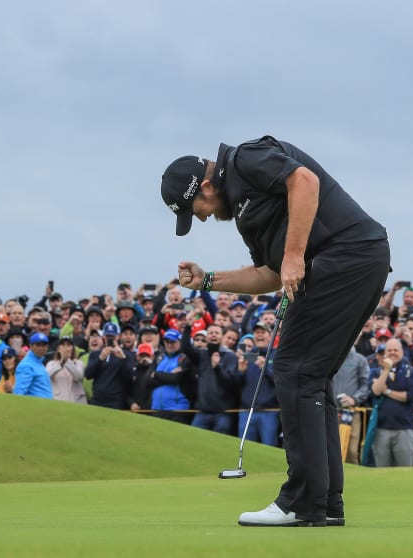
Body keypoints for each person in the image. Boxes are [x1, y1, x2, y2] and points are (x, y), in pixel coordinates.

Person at [162, 135, 390, 527]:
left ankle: (302, 501)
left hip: (346, 255)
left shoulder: (245, 159)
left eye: (194, 209)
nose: (198, 218)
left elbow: (304, 182)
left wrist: (294, 255)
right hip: (353, 259)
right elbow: (268, 274)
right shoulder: (243, 213)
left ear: (204, 186)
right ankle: (324, 503)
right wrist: (207, 280)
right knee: (310, 376)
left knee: (293, 369)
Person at [368, 338, 413, 468]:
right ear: (384, 353)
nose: (392, 353)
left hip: (404, 430)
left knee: (404, 473)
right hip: (381, 429)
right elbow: (375, 391)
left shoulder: (411, 372)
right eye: (389, 350)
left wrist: (387, 392)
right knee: (382, 472)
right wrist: (386, 370)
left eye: (395, 350)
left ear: (402, 352)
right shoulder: (376, 372)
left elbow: (412, 396)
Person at [331, 345, 371, 464]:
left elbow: (365, 385)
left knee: (352, 451)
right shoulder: (331, 357)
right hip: (331, 411)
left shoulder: (360, 359)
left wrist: (354, 399)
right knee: (332, 449)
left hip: (352, 412)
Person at [84, 322, 136, 410]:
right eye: (108, 336)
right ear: (104, 337)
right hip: (97, 399)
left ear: (118, 337)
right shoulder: (95, 354)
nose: (110, 339)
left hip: (116, 401)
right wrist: (100, 359)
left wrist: (122, 358)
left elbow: (130, 378)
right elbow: (88, 375)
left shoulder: (127, 355)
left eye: (113, 337)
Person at [13, 333, 55, 399]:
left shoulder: (39, 363)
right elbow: (19, 392)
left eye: (43, 345)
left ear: (47, 347)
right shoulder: (26, 365)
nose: (41, 348)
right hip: (34, 407)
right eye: (38, 345)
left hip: (44, 406)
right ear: (31, 346)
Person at [47, 336, 86, 404]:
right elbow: (46, 376)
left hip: (76, 401)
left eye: (68, 345)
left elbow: (78, 377)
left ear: (72, 349)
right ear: (58, 349)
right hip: (57, 401)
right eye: (63, 345)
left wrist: (67, 361)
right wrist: (61, 362)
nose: (65, 348)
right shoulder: (51, 363)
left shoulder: (78, 363)